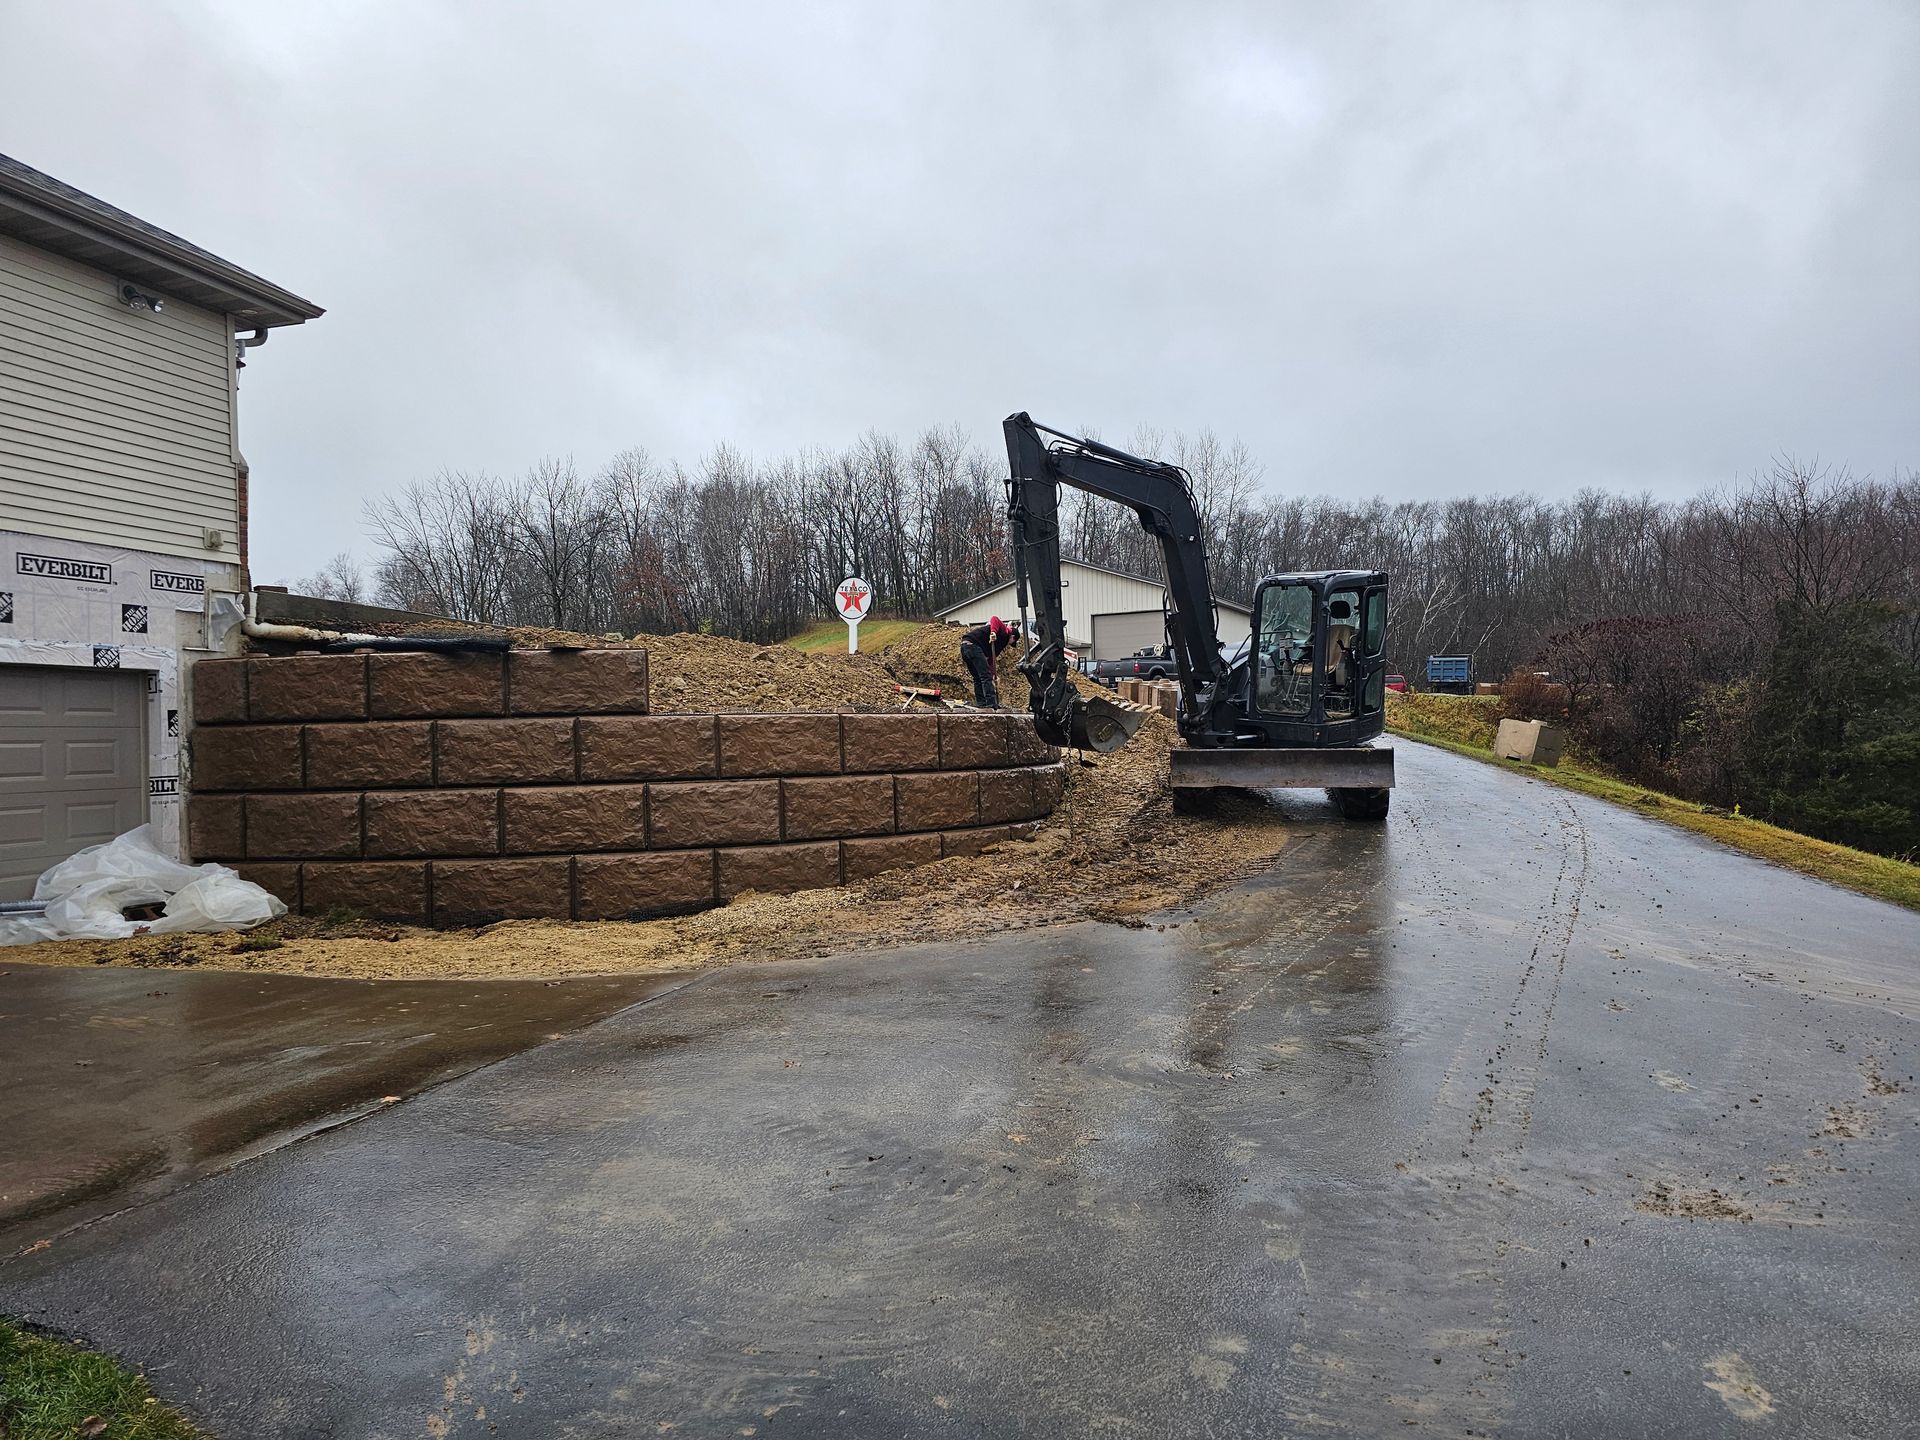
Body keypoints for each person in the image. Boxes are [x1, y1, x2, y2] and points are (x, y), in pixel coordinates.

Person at [959, 616, 1019, 708]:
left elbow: (991, 660)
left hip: (965, 647)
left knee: (978, 677)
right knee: (985, 676)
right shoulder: (1005, 632)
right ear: (1013, 637)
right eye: (1012, 642)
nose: (1010, 644)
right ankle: (991, 703)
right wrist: (993, 632)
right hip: (973, 646)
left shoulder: (998, 645)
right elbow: (995, 619)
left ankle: (981, 704)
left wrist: (994, 674)